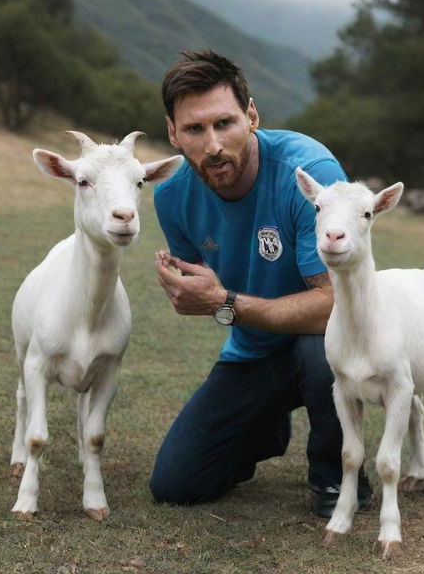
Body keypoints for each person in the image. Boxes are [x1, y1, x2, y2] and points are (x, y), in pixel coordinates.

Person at [149, 50, 372, 517]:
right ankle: (267, 427)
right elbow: (206, 292)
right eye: (194, 129)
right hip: (254, 352)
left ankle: (337, 474)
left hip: (323, 341)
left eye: (224, 123)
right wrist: (192, 295)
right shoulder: (171, 197)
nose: (212, 145)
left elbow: (334, 306)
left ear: (251, 116)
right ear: (173, 133)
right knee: (176, 483)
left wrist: (223, 302)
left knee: (318, 350)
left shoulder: (309, 173)